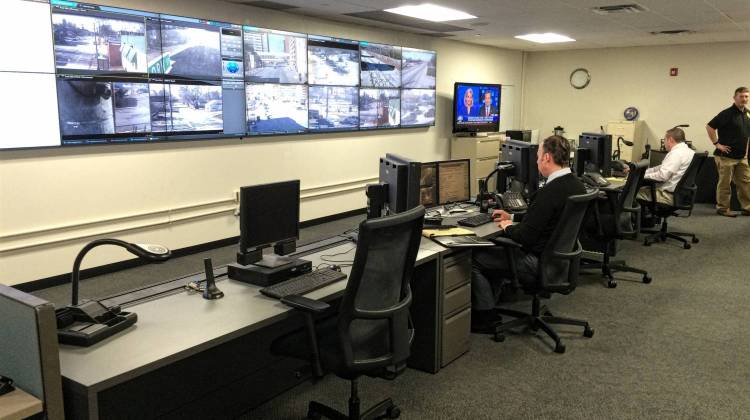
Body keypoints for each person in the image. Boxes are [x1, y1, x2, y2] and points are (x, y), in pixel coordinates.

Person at [471, 135, 586, 332]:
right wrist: (513, 218)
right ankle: (492, 303)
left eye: (538, 156)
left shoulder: (549, 192)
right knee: (496, 248)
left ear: (547, 158)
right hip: (559, 262)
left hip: (537, 263)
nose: (536, 160)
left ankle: (486, 316)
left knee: (475, 258)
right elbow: (546, 221)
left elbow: (524, 237)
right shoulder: (576, 185)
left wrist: (507, 226)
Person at [706, 87, 750, 217]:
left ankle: (747, 208)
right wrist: (716, 144)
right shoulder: (726, 114)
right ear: (735, 98)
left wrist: (746, 152)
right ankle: (723, 208)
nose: (744, 99)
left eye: (746, 96)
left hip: (742, 157)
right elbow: (709, 127)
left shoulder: (748, 114)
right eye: (741, 96)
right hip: (726, 157)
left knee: (746, 183)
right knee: (725, 183)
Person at [634, 127, 695, 207]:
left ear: (670, 140)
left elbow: (662, 176)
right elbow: (661, 168)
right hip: (681, 195)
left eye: (664, 140)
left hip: (667, 196)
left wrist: (640, 176)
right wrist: (640, 172)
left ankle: (637, 219)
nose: (664, 143)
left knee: (631, 193)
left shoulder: (676, 153)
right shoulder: (690, 152)